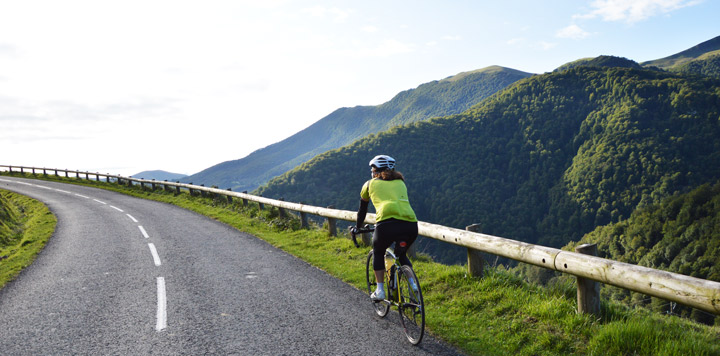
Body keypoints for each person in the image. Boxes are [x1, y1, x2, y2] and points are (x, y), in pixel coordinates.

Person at [352, 155, 419, 301]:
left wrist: (358, 227)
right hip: (411, 224)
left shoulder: (369, 184)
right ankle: (413, 286)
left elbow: (362, 210)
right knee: (401, 255)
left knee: (378, 252)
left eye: (372, 170)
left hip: (386, 224)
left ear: (376, 172)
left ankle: (380, 290)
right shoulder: (401, 182)